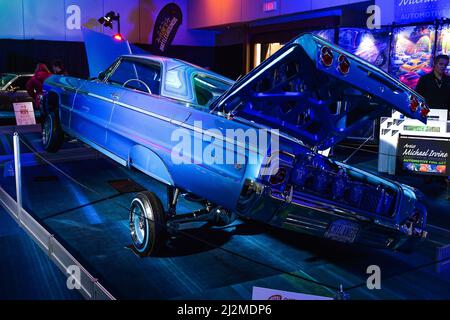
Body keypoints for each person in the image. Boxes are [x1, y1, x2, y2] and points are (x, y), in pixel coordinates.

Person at [415, 54, 450, 119]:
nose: (443, 67)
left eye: (445, 65)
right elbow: (418, 97)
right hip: (428, 114)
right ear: (435, 63)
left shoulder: (448, 80)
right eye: (441, 64)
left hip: (445, 115)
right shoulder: (424, 79)